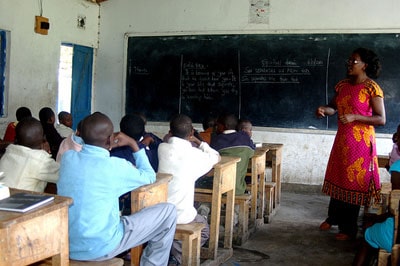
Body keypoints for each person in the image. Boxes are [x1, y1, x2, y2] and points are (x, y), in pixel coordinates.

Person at [57, 112, 176, 264]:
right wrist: (133, 144)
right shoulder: (114, 166)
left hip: (70, 244)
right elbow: (149, 176)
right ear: (110, 139)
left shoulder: (68, 158)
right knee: (168, 212)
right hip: (102, 246)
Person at [316, 47, 386, 241]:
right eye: (349, 60)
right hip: (342, 140)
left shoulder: (372, 88)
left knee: (352, 181)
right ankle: (333, 218)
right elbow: (334, 108)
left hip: (361, 144)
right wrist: (324, 110)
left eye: (354, 61)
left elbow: (381, 119)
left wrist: (355, 116)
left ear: (365, 65)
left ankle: (348, 229)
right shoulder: (342, 86)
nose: (349, 63)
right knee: (339, 177)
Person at [157, 114, 220, 265]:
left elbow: (167, 141)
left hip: (159, 212)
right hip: (181, 215)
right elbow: (216, 157)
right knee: (204, 230)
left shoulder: (162, 148)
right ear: (191, 132)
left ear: (170, 131)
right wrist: (199, 142)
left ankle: (172, 252)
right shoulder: (195, 155)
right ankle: (178, 257)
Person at [110, 113, 160, 215]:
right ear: (143, 132)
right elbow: (152, 174)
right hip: (141, 206)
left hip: (116, 205)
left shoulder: (111, 153)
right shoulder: (147, 152)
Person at [0, 117, 59, 192]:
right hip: (19, 202)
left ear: (15, 138)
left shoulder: (8, 153)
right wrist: (46, 153)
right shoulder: (39, 160)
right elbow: (67, 174)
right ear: (43, 138)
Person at [210, 113, 256, 195]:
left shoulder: (216, 141)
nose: (217, 127)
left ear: (225, 126)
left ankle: (205, 205)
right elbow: (252, 153)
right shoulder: (245, 138)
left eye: (218, 125)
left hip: (220, 189)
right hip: (239, 188)